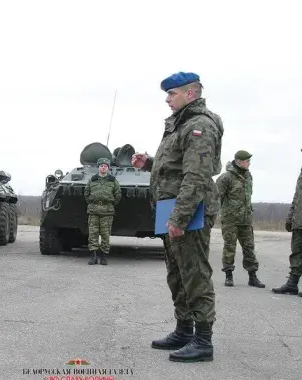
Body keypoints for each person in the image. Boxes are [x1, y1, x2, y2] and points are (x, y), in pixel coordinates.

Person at [131, 72, 223, 362]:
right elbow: (175, 168)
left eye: (172, 94)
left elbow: (197, 175)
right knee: (177, 273)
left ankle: (203, 341)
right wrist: (149, 164)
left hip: (189, 209)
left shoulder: (200, 125)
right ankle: (184, 330)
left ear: (190, 94)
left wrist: (180, 218)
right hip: (172, 207)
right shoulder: (180, 124)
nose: (168, 99)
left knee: (195, 273)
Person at [216, 150, 264, 288]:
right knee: (229, 247)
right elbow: (216, 197)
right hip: (231, 220)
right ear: (238, 162)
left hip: (246, 220)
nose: (249, 163)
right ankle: (229, 276)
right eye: (247, 161)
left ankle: (252, 277)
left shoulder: (249, 176)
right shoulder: (226, 178)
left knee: (249, 248)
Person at [272, 155, 302, 296]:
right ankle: (292, 284)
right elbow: (297, 197)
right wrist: (290, 217)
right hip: (299, 221)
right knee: (296, 253)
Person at [83, 158, 121, 265]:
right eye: (101, 166)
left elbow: (118, 194)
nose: (103, 167)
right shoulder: (92, 180)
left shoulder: (113, 181)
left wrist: (110, 203)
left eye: (105, 166)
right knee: (93, 234)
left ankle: (103, 257)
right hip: (93, 210)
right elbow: (86, 193)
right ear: (98, 168)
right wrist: (92, 203)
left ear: (108, 168)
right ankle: (93, 256)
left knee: (105, 235)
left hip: (107, 211)